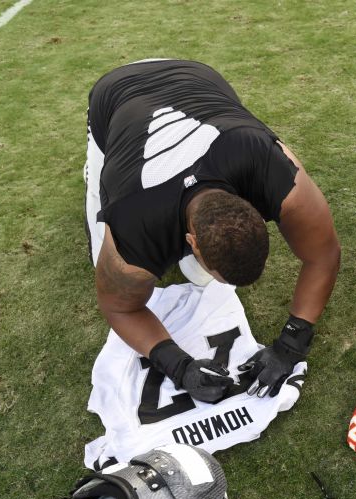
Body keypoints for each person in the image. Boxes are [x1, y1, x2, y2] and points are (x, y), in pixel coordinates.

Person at [85, 59, 340, 401]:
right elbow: (119, 307)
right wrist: (179, 366)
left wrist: (292, 343)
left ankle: (203, 268)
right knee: (100, 258)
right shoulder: (131, 221)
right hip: (115, 95)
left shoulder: (269, 165)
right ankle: (93, 169)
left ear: (256, 204)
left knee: (203, 279)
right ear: (191, 241)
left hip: (193, 77)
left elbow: (323, 254)